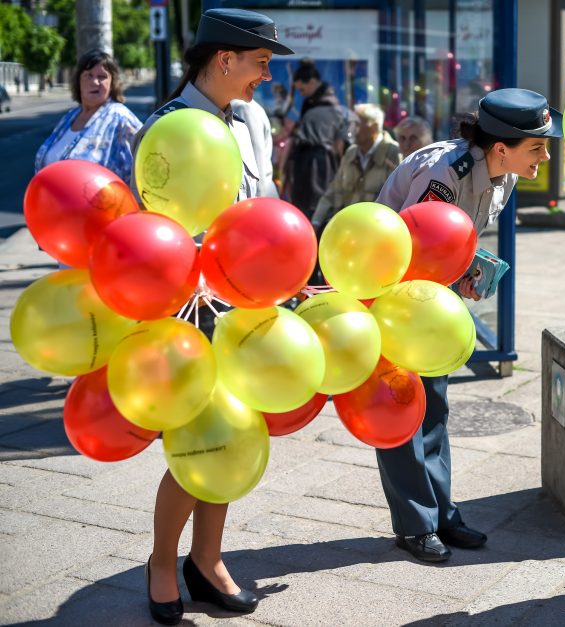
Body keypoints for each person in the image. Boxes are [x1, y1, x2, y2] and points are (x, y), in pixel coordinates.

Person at [133, 8, 294, 625]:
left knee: (234, 432)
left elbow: (264, 201)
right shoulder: (169, 128)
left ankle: (207, 561)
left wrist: (287, 272)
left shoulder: (249, 117)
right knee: (197, 441)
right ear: (223, 60)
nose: (266, 78)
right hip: (189, 307)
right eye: (260, 64)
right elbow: (151, 233)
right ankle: (160, 562)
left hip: (248, 302)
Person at [374, 88, 562, 562]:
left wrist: (469, 274)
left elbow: (456, 241)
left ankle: (441, 514)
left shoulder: (505, 176)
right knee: (402, 412)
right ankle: (414, 525)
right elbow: (410, 246)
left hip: (434, 297)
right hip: (396, 298)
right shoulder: (446, 172)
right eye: (537, 146)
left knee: (434, 408)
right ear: (501, 148)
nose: (546, 154)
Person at [35, 49, 142, 184]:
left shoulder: (120, 117)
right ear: (79, 81)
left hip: (103, 203)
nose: (95, 82)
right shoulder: (70, 117)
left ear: (112, 82)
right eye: (88, 75)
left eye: (102, 76)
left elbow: (147, 158)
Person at [312, 103, 401, 233]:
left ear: (374, 127)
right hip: (347, 229)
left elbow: (397, 199)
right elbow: (334, 191)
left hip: (377, 231)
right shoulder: (351, 152)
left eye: (357, 124)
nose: (350, 128)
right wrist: (315, 222)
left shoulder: (393, 153)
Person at [284, 59, 349, 219]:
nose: (301, 93)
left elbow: (340, 145)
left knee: (313, 210)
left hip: (317, 166)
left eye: (302, 88)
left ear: (312, 82)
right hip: (319, 165)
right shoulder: (329, 106)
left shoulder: (326, 107)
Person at [232, 98, 278, 197]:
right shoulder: (241, 106)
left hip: (259, 197)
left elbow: (255, 162)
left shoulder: (242, 107)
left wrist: (258, 204)